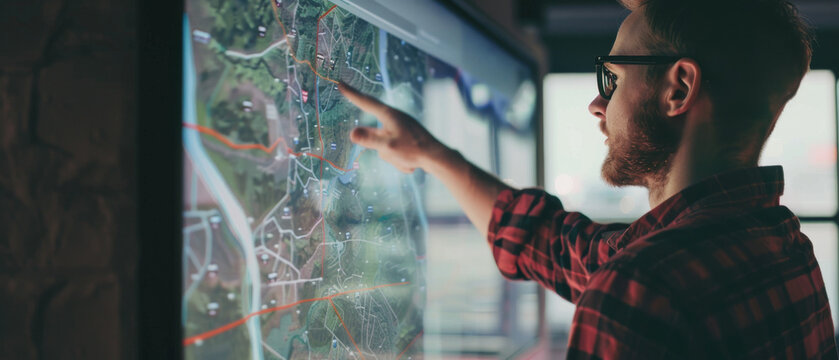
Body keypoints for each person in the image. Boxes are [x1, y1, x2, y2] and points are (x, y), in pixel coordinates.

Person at [338, 0, 837, 358]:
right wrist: (431, 154)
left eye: (613, 79)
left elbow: (625, 283)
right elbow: (556, 244)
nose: (598, 105)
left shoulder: (642, 287)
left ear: (678, 88)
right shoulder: (780, 244)